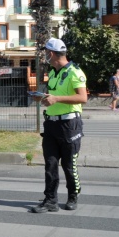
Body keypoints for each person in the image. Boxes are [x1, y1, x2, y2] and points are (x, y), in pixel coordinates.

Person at [30, 38, 87, 213]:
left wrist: (56, 99)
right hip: (51, 124)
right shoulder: (54, 72)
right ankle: (50, 200)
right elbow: (55, 95)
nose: (45, 55)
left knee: (69, 164)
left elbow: (82, 98)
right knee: (50, 163)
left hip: (69, 124)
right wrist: (44, 97)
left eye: (46, 52)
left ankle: (73, 195)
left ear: (52, 53)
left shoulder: (74, 72)